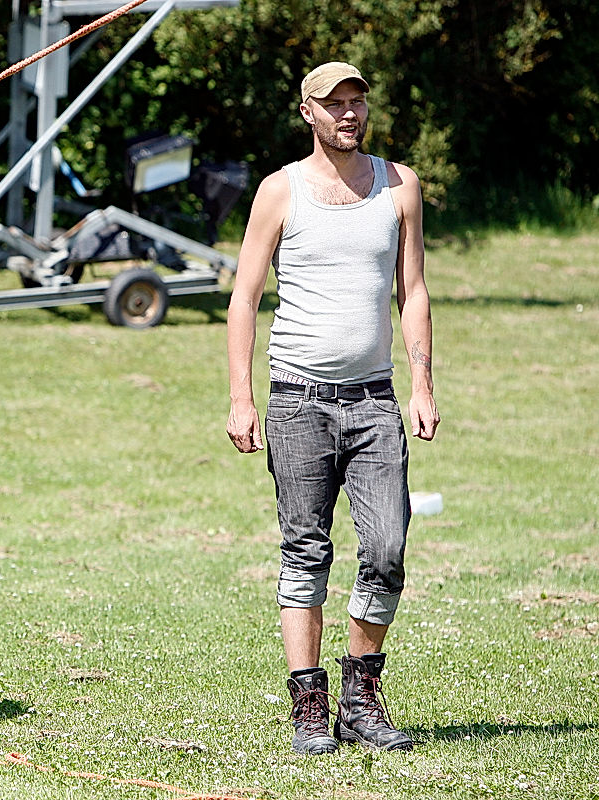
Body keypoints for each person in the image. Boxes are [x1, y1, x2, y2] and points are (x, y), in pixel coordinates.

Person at [225, 62, 438, 754]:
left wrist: (422, 385)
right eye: (334, 104)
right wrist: (241, 397)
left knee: (386, 548)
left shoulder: (400, 186)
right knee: (304, 550)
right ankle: (309, 706)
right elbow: (244, 296)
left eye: (357, 102)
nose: (349, 113)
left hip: (375, 400)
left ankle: (360, 698)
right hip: (297, 402)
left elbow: (413, 291)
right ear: (307, 113)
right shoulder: (279, 192)